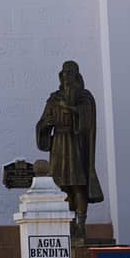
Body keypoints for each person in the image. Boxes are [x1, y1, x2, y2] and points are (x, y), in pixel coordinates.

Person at [35, 60, 104, 237]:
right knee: (63, 186)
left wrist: (71, 109)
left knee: (78, 185)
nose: (67, 76)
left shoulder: (84, 97)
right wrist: (45, 125)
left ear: (76, 75)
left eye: (70, 72)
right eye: (64, 73)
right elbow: (42, 122)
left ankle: (81, 223)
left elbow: (87, 120)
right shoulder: (54, 99)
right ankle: (71, 223)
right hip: (59, 144)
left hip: (75, 145)